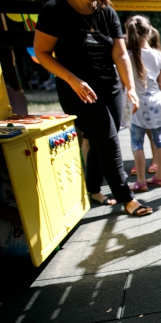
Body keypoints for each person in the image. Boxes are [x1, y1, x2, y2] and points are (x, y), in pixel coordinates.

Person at [33, 0, 152, 216]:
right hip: (77, 89)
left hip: (110, 87)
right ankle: (127, 198)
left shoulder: (107, 12)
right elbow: (41, 52)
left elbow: (120, 54)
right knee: (108, 139)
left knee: (102, 139)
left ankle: (94, 190)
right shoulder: (54, 10)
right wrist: (72, 80)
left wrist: (131, 88)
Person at [125, 15, 161, 192]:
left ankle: (141, 181)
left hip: (138, 104)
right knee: (159, 140)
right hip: (156, 102)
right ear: (149, 32)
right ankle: (159, 177)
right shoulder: (158, 54)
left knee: (137, 143)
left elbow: (125, 82)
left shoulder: (127, 56)